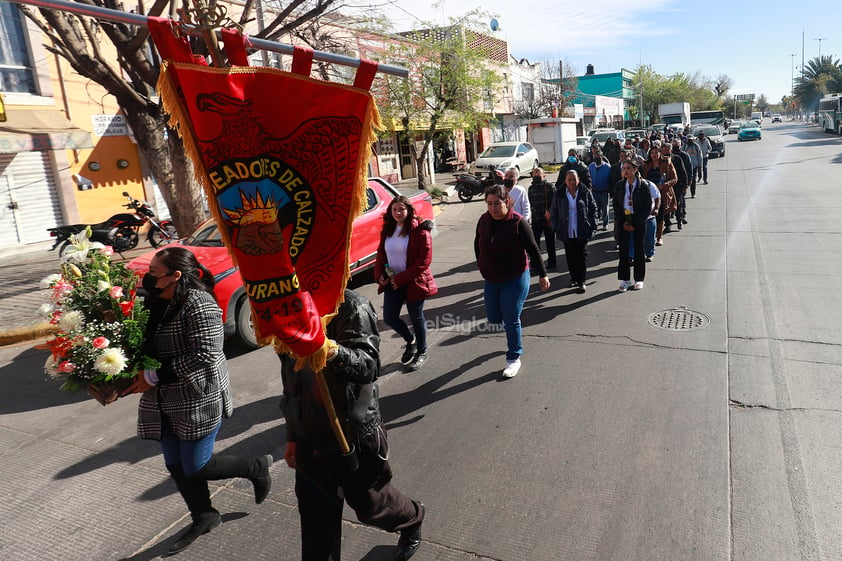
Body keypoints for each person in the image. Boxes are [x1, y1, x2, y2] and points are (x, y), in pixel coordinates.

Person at [124, 246, 272, 555]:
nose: (148, 277)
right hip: (164, 397)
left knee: (197, 466)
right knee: (176, 464)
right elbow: (143, 340)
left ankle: (256, 467)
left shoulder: (199, 304)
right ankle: (204, 516)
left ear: (175, 276)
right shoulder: (154, 302)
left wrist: (153, 376)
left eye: (154, 272)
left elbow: (204, 354)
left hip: (196, 394)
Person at [278, 290, 425, 561]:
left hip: (352, 435)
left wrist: (330, 350)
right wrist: (292, 435)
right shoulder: (288, 307)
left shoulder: (351, 306)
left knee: (371, 506)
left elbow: (369, 366)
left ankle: (413, 518)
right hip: (310, 439)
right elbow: (291, 380)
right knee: (315, 527)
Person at [475, 184, 550, 378]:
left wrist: (543, 274)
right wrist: (481, 265)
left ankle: (513, 357)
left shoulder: (518, 223)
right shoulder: (484, 220)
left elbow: (534, 249)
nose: (492, 208)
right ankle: (511, 338)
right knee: (494, 318)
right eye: (489, 203)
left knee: (511, 319)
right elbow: (478, 244)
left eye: (497, 203)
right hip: (491, 278)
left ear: (507, 202)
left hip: (515, 277)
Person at [374, 196, 437, 372]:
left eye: (401, 209)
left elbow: (424, 261)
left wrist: (401, 278)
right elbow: (380, 256)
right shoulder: (387, 230)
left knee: (416, 317)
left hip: (413, 281)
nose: (398, 213)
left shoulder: (420, 230)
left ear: (409, 210)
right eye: (394, 209)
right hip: (393, 282)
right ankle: (411, 341)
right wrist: (380, 275)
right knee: (389, 317)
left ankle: (422, 352)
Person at [613, 157, 660, 292]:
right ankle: (625, 280)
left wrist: (636, 223)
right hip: (624, 219)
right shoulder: (620, 185)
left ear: (635, 170)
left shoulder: (643, 186)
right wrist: (622, 220)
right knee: (624, 251)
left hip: (639, 220)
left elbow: (647, 207)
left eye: (628, 168)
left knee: (639, 250)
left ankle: (639, 279)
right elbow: (616, 204)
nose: (625, 171)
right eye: (624, 168)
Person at [550, 170, 597, 293]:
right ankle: (573, 278)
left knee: (581, 255)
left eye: (574, 179)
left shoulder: (585, 192)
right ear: (565, 181)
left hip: (581, 228)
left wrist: (593, 225)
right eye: (569, 179)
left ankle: (582, 281)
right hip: (566, 229)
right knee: (570, 255)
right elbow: (553, 211)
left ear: (579, 179)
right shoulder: (559, 194)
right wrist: (556, 227)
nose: (572, 182)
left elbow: (593, 208)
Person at [640, 146, 675, 252]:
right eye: (652, 153)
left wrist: (665, 185)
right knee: (648, 216)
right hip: (648, 194)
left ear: (660, 154)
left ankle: (659, 237)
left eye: (656, 153)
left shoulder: (666, 163)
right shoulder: (646, 165)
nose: (654, 155)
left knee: (660, 215)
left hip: (662, 193)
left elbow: (674, 179)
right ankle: (649, 237)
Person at [527, 167, 557, 269]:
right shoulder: (531, 188)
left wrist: (550, 212)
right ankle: (536, 263)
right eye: (534, 174)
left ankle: (552, 262)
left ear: (544, 176)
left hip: (547, 219)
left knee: (550, 242)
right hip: (536, 219)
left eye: (538, 175)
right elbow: (530, 202)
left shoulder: (549, 187)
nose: (536, 176)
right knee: (534, 243)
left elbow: (555, 202)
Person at [671, 139, 693, 229]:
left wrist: (689, 180)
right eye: (674, 145)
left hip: (681, 182)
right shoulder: (669, 156)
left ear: (680, 145)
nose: (676, 146)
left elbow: (688, 168)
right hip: (672, 183)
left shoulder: (684, 155)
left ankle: (682, 217)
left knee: (681, 200)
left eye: (677, 145)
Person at [588, 149, 612, 230]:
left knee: (605, 209)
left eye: (599, 157)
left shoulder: (607, 167)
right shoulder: (591, 166)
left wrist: (610, 191)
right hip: (594, 191)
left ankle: (605, 223)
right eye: (595, 157)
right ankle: (595, 222)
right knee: (595, 209)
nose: (597, 158)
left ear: (602, 157)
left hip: (604, 191)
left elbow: (610, 180)